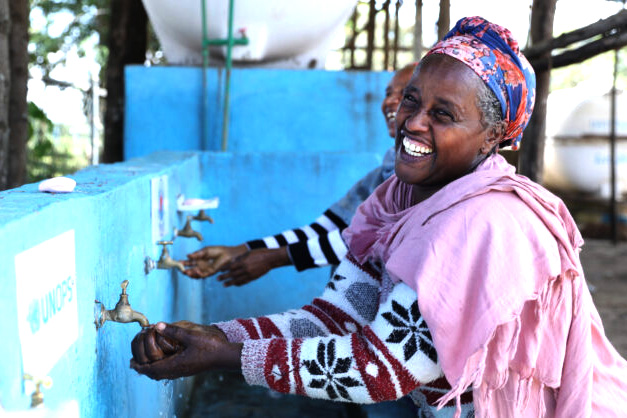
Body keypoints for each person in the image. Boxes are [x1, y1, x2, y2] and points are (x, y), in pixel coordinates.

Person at [130, 17, 627, 417]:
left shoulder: (486, 223)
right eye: (412, 100)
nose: (412, 121)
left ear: (493, 139)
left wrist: (224, 354)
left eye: (443, 114)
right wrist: (218, 335)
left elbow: (380, 368)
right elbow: (336, 316)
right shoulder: (398, 197)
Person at [181, 63, 416, 286]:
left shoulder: (424, 182)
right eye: (388, 93)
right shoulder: (381, 175)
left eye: (404, 94)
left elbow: (370, 241)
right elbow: (326, 229)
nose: (389, 102)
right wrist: (243, 250)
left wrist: (273, 258)